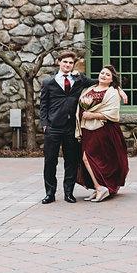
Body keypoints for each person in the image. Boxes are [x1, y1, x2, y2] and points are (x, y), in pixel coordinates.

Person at [39, 51, 94, 204]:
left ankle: (68, 193)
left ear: (73, 65)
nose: (68, 65)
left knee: (71, 161)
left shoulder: (79, 79)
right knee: (50, 161)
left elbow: (98, 83)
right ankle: (50, 193)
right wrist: (44, 124)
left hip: (71, 128)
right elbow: (43, 105)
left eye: (70, 63)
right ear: (59, 62)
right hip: (53, 127)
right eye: (65, 62)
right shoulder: (48, 82)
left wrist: (118, 88)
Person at [75, 65, 129, 201]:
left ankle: (101, 187)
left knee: (92, 158)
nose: (104, 76)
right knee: (89, 158)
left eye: (108, 75)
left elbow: (112, 112)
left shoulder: (112, 92)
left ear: (112, 80)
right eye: (102, 72)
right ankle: (97, 186)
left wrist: (92, 115)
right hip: (87, 129)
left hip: (103, 130)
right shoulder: (89, 89)